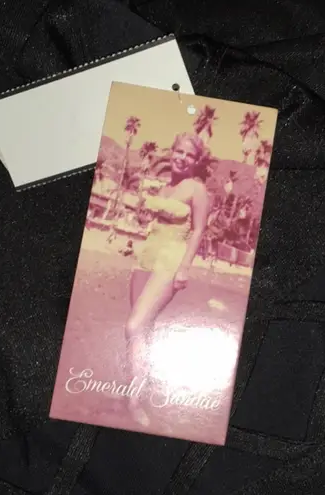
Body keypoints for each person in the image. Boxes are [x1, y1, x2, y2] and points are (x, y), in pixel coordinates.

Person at [124, 133, 211, 425]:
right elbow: (147, 221)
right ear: (171, 152)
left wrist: (184, 268)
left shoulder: (197, 190)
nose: (182, 158)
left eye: (189, 155)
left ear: (196, 161)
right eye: (178, 152)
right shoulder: (163, 188)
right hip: (145, 257)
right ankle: (140, 387)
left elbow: (198, 231)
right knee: (143, 328)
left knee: (134, 326)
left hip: (170, 261)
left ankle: (135, 401)